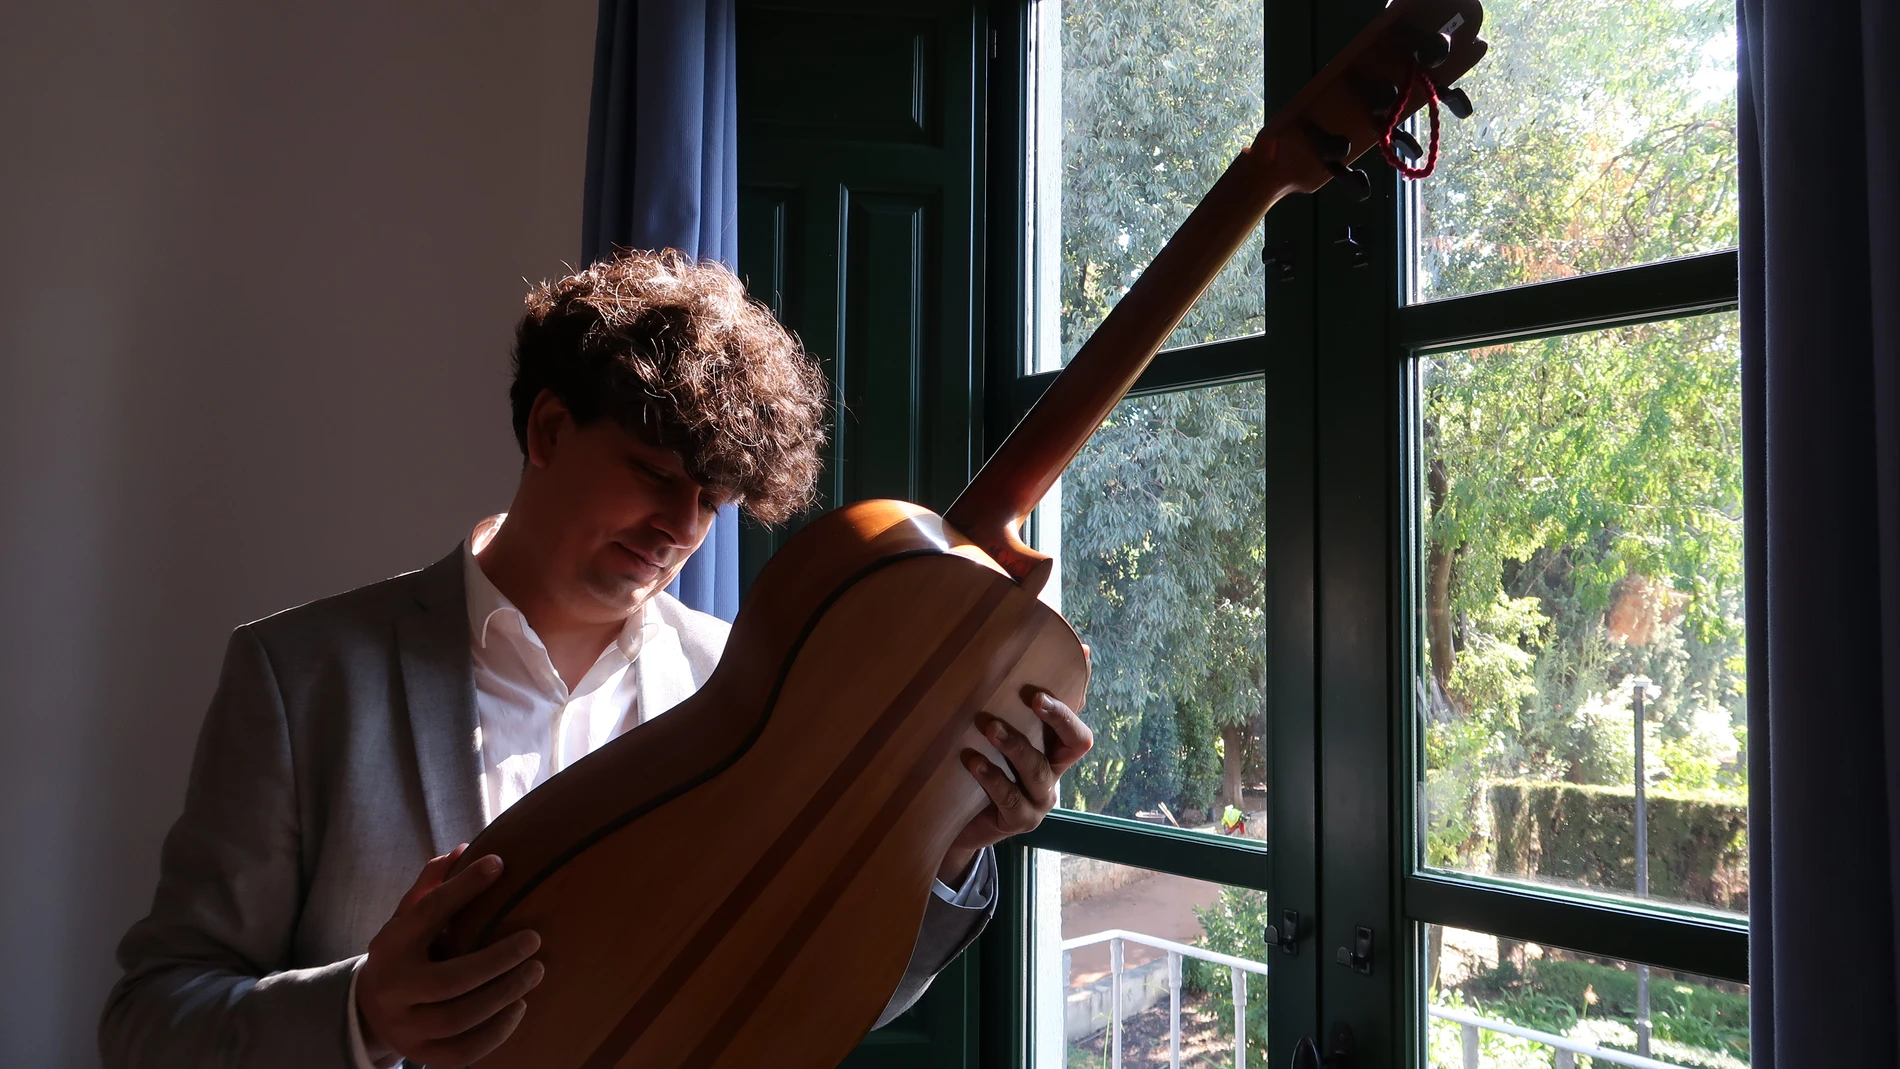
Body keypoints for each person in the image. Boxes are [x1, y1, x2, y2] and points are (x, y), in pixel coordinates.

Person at [99, 250, 1093, 1068]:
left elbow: (808, 990)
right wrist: (363, 1011)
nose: (679, 528)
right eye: (656, 476)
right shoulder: (298, 677)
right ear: (546, 428)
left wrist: (949, 845)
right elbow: (151, 1021)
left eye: (712, 501)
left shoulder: (744, 682)